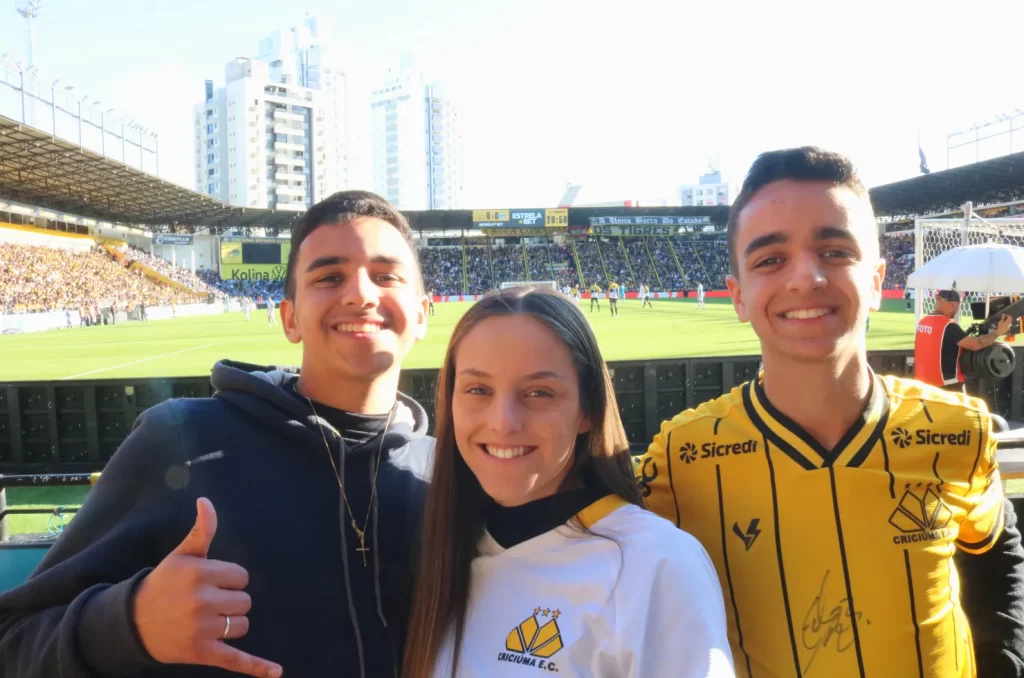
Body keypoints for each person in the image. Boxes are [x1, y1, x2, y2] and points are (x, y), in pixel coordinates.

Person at [0, 190, 435, 678]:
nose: (360, 294)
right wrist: (130, 623)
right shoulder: (182, 438)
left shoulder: (450, 474)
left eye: (385, 276)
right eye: (329, 277)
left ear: (422, 314)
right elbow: (13, 641)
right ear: (289, 319)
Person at [640, 147, 1024, 678]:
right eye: (770, 259)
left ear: (876, 277)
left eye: (835, 250)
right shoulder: (681, 459)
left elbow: (995, 557)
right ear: (738, 296)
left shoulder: (962, 431)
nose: (806, 278)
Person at [402, 287, 734, 678]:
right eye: (478, 389)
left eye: (539, 392)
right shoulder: (438, 545)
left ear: (587, 410)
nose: (503, 422)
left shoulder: (657, 564)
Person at [914, 289, 1011, 392]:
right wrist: (998, 332)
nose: (956, 311)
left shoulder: (922, 322)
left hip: (923, 385)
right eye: (957, 307)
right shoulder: (948, 326)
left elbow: (944, 343)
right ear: (952, 305)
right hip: (946, 385)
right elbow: (976, 344)